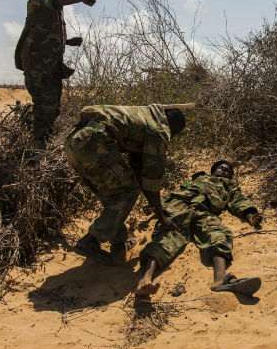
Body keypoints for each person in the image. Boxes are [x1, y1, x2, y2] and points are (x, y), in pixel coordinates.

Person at [64, 104, 186, 266]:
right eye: (174, 133)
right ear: (172, 126)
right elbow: (151, 177)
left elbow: (138, 167)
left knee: (114, 193)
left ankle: (119, 244)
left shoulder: (145, 117)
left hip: (74, 144)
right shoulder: (158, 130)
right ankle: (90, 240)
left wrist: (155, 204)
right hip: (93, 143)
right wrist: (160, 215)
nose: (171, 137)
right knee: (128, 191)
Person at [136, 160, 264, 297]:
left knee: (219, 234)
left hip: (204, 212)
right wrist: (154, 204)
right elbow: (175, 193)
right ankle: (146, 279)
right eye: (220, 168)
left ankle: (220, 280)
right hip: (180, 206)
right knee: (166, 236)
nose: (223, 171)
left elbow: (239, 200)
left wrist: (250, 216)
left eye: (227, 171)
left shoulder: (229, 186)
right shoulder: (198, 179)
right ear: (213, 169)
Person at [15, 0, 98, 150]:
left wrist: (67, 41)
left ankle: (43, 139)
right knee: (44, 104)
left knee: (53, 106)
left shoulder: (55, 8)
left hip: (52, 65)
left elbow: (45, 34)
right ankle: (38, 146)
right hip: (37, 64)